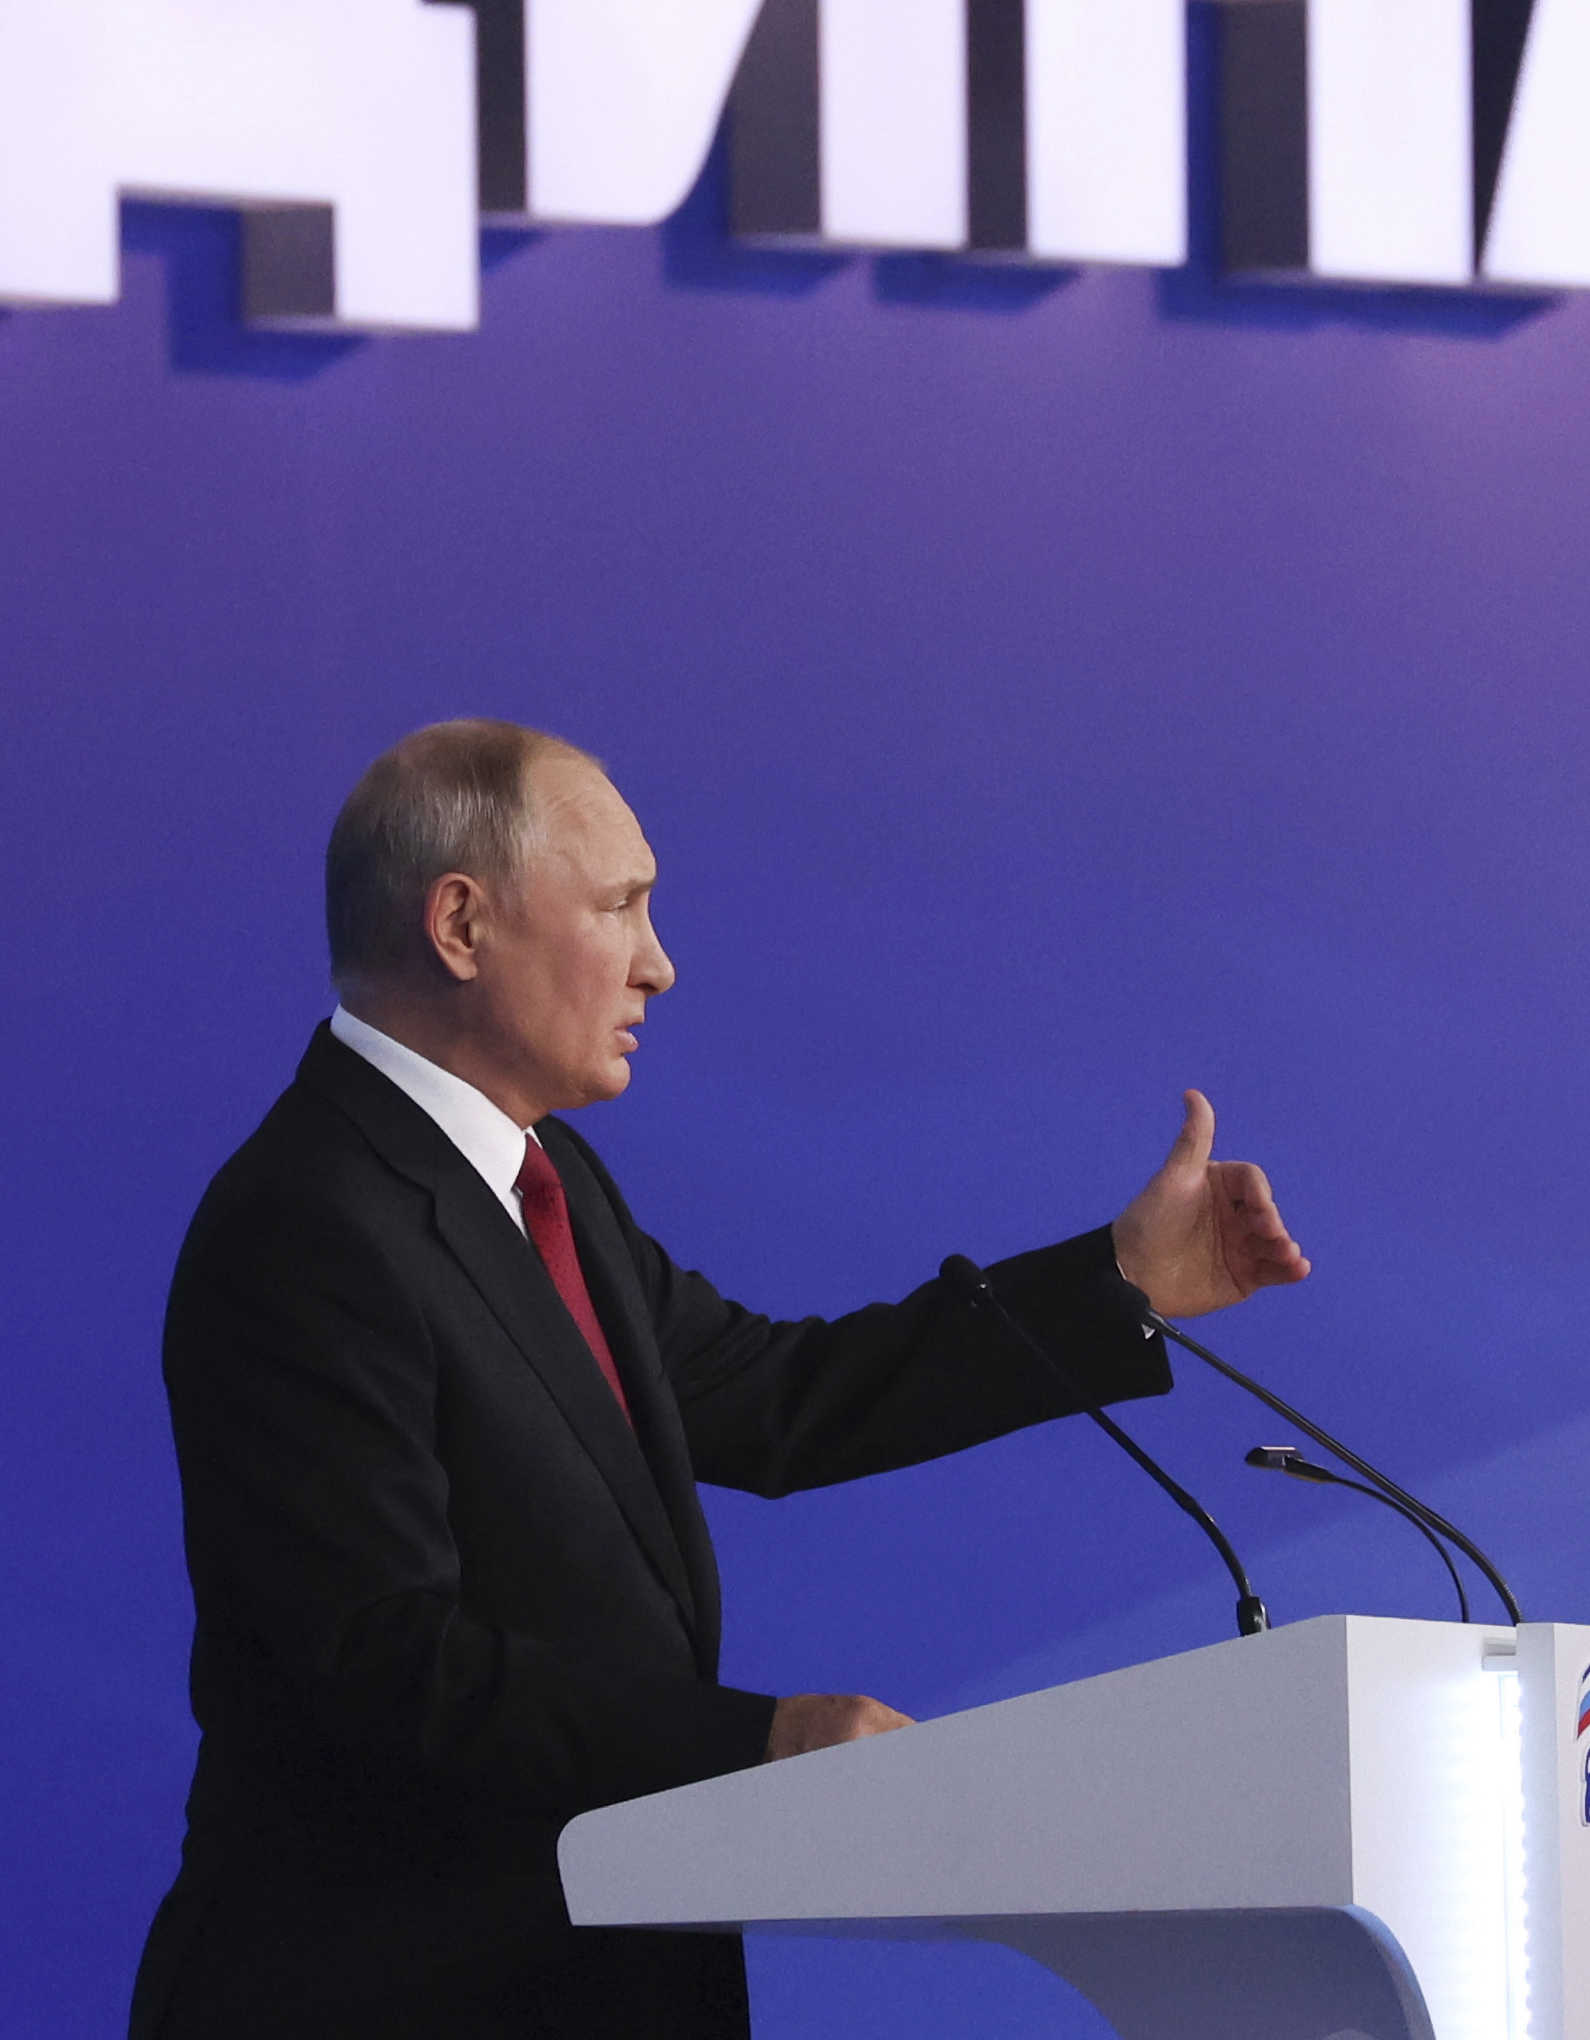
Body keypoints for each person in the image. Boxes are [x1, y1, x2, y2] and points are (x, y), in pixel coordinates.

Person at [128, 719, 1312, 2039]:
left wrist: (1119, 1282)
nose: (660, 962)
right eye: (619, 906)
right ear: (461, 925)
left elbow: (778, 1394)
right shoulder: (308, 1221)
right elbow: (378, 1664)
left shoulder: (546, 1181)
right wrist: (762, 1746)